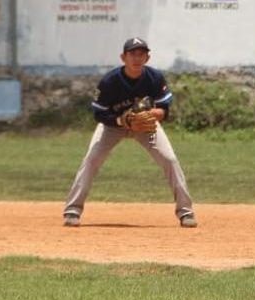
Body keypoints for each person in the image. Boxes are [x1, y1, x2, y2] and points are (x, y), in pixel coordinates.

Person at [63, 37, 197, 228]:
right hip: (112, 127)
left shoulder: (155, 78)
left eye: (141, 54)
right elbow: (99, 113)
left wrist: (148, 115)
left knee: (169, 159)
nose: (137, 58)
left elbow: (164, 109)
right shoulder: (110, 81)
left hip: (146, 127)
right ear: (123, 57)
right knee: (92, 160)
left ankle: (186, 212)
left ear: (147, 58)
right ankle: (72, 210)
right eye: (132, 54)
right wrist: (121, 120)